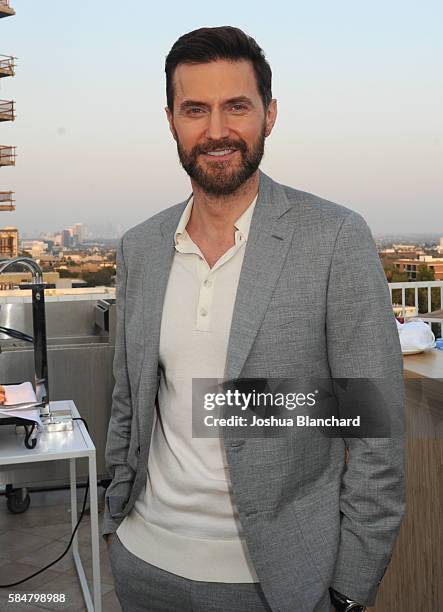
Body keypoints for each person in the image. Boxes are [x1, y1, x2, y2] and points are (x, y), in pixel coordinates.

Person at [103, 26, 405, 612]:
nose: (216, 131)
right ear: (171, 120)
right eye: (196, 109)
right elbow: (131, 396)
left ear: (269, 114)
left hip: (278, 582)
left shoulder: (335, 238)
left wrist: (348, 588)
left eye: (235, 107)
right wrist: (119, 518)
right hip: (146, 565)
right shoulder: (140, 247)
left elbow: (374, 430)